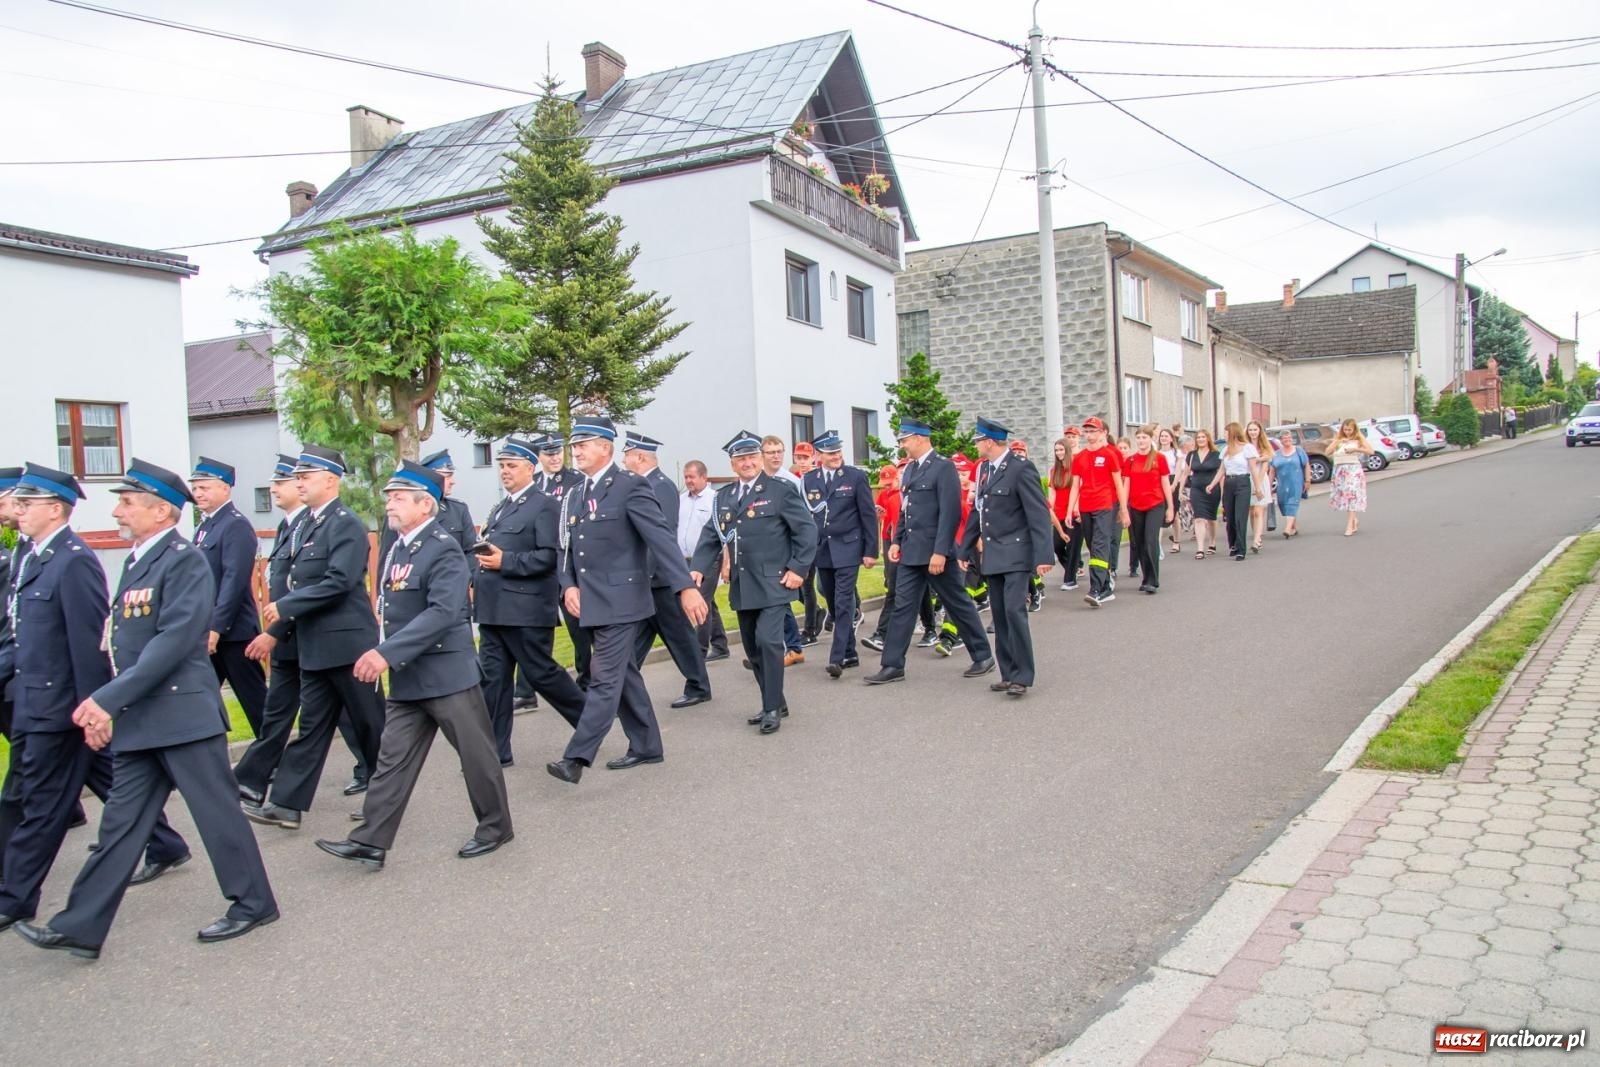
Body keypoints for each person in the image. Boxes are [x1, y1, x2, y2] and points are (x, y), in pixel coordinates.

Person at [14, 459, 277, 958]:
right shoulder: (138, 560)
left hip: (182, 718)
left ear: (161, 513)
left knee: (217, 815)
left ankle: (252, 902)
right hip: (142, 721)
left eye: (127, 503)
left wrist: (105, 700)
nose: (117, 511)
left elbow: (173, 643)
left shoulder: (183, 561)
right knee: (119, 827)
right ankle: (81, 925)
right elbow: (123, 643)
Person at [0, 462, 192, 935]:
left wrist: (96, 706)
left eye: (26, 504)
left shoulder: (73, 559)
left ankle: (15, 898)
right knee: (94, 780)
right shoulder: (31, 556)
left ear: (53, 509)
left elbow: (86, 643)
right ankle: (165, 843)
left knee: (38, 804)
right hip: (34, 701)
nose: (17, 512)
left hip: (61, 704)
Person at [315, 461, 512, 869]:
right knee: (392, 759)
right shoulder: (400, 547)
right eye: (389, 497)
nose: (390, 504)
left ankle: (495, 827)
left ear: (426, 505)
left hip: (446, 675)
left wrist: (385, 654)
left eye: (399, 497)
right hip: (410, 678)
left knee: (476, 756)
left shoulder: (442, 549)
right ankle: (371, 838)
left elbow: (442, 613)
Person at [546, 416, 708, 784]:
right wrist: (568, 585)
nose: (577, 451)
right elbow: (566, 548)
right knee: (626, 677)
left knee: (604, 678)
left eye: (584, 444)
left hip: (623, 600)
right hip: (589, 600)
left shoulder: (629, 486)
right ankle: (647, 745)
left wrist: (684, 587)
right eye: (575, 445)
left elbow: (661, 539)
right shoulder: (574, 493)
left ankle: (576, 757)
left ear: (606, 447)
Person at [244, 445, 385, 831]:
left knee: (371, 725)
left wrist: (288, 605)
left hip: (349, 645)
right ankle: (287, 804)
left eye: (306, 476)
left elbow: (340, 581)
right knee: (313, 727)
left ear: (330, 480)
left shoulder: (345, 524)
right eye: (298, 477)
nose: (299, 482)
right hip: (315, 646)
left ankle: (385, 794)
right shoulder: (305, 523)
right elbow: (294, 574)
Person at [690, 430, 816, 731]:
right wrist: (697, 567)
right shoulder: (725, 497)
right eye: (740, 458)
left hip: (775, 583)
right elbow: (712, 535)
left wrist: (798, 568)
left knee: (769, 642)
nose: (746, 462)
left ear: (760, 459)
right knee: (752, 648)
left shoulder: (780, 490)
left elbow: (807, 531)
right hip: (743, 585)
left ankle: (771, 708)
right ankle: (776, 701)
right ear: (733, 465)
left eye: (751, 456)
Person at [472, 437, 586, 767]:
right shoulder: (502, 507)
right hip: (494, 611)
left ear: (530, 469)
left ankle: (590, 723)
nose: (505, 472)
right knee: (493, 681)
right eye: (502, 466)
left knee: (542, 674)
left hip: (525, 610)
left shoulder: (545, 505)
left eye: (512, 466)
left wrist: (506, 561)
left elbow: (550, 558)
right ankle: (496, 751)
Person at [863, 418, 995, 685]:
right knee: (903, 606)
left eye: (905, 440)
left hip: (936, 554)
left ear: (921, 438)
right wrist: (897, 540)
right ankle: (892, 665)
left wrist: (940, 551)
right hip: (912, 552)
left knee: (957, 604)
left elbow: (950, 513)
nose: (902, 445)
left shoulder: (942, 468)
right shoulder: (910, 470)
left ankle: (983, 656)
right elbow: (906, 510)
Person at [961, 418, 1053, 696]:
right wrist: (965, 548)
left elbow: (1037, 514)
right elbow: (978, 512)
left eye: (978, 440)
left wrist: (1043, 555)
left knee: (1014, 611)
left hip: (1016, 552)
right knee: (999, 614)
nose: (976, 445)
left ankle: (1022, 676)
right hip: (993, 553)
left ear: (990, 441)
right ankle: (1008, 672)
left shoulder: (1020, 469)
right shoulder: (985, 470)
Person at [622, 431, 711, 709]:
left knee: (680, 636)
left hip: (659, 578)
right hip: (645, 580)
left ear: (639, 457)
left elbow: (662, 534)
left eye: (626, 455)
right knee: (632, 641)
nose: (623, 461)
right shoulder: (642, 484)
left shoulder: (659, 486)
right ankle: (616, 692)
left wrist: (648, 574)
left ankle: (698, 685)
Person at [187, 458, 268, 738]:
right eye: (195, 488)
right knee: (200, 698)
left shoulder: (235, 525)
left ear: (225, 489)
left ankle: (272, 756)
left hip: (233, 634)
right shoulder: (204, 527)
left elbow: (233, 581)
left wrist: (216, 627)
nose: (198, 493)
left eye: (204, 487)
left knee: (255, 701)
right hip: (208, 629)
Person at [801, 429, 878, 678]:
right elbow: (806, 516)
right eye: (830, 452)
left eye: (838, 451)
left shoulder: (855, 477)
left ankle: (838, 657)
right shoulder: (809, 480)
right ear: (819, 455)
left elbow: (868, 515)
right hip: (822, 550)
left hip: (848, 547)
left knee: (844, 601)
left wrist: (870, 551)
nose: (836, 456)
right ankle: (851, 652)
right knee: (833, 602)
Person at [532, 434, 590, 694]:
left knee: (580, 629)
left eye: (558, 452)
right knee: (535, 632)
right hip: (539, 567)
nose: (555, 458)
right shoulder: (532, 484)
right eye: (548, 453)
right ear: (539, 457)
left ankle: (587, 679)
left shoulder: (577, 482)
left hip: (568, 564)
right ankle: (526, 690)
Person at [862, 463, 936, 652]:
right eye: (884, 483)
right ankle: (930, 629)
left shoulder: (898, 497)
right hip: (895, 544)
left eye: (890, 482)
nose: (886, 487)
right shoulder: (887, 495)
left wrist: (897, 545)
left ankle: (882, 634)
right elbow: (886, 521)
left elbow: (900, 524)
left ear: (898, 479)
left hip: (905, 546)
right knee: (917, 589)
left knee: (895, 590)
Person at [1064, 416, 1128, 606]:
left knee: (1100, 544)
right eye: (1087, 431)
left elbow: (1119, 483)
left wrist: (1123, 510)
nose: (1090, 435)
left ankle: (1095, 589)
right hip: (1085, 506)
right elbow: (1075, 486)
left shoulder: (1109, 454)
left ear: (1102, 433)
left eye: (1093, 431)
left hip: (1105, 505)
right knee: (1093, 546)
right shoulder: (1080, 457)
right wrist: (1069, 511)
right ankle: (1106, 587)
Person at [760, 435, 811, 665]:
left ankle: (789, 647)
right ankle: (779, 647)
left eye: (779, 451)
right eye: (771, 452)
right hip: (760, 551)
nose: (776, 456)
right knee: (770, 600)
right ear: (762, 454)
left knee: (777, 600)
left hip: (783, 549)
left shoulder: (791, 481)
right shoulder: (756, 480)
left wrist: (798, 559)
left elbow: (803, 521)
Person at [677, 460, 728, 661]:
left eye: (692, 477)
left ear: (704, 477)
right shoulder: (681, 500)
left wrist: (726, 562)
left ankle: (698, 651)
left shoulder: (715, 500)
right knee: (709, 602)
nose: (688, 481)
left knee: (700, 601)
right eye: (686, 477)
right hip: (685, 560)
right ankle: (721, 644)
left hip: (708, 560)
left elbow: (723, 534)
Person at [1124, 426, 1175, 594]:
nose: (1141, 441)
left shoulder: (1159, 458)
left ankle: (1153, 580)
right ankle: (1146, 577)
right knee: (1139, 543)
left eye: (1144, 437)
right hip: (1136, 505)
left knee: (1150, 540)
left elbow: (1165, 483)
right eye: (1138, 438)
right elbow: (1126, 485)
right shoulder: (1130, 460)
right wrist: (1123, 508)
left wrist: (1170, 507)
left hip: (1155, 504)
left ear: (1150, 439)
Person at [1207, 422, 1260, 562]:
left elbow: (1253, 469)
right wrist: (1212, 484)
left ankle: (1241, 549)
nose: (1224, 435)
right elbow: (1222, 470)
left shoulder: (1247, 448)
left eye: (1226, 432)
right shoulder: (1225, 450)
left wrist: (1258, 488)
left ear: (1233, 433)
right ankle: (1233, 545)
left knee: (1239, 517)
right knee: (1229, 517)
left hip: (1242, 482)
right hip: (1229, 483)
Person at [1327, 418, 1374, 536]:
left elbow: (1371, 451)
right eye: (1345, 429)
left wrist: (1356, 449)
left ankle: (1349, 525)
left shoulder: (1359, 439)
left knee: (1351, 495)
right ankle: (1354, 520)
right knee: (1345, 496)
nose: (1347, 432)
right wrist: (1336, 443)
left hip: (1353, 470)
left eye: (1350, 430)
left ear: (1354, 430)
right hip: (1340, 470)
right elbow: (1327, 452)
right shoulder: (1339, 439)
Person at [1186, 429, 1222, 559]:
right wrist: (1180, 491)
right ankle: (1200, 549)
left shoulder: (1216, 454)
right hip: (1196, 488)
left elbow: (1221, 473)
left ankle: (1212, 543)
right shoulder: (1191, 455)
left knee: (1211, 518)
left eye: (1203, 437)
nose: (1200, 439)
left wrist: (1221, 490)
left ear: (1208, 439)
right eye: (1198, 437)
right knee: (1199, 518)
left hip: (1212, 489)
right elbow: (1186, 473)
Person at [1047, 438, 1077, 590]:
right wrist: (1049, 508)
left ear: (1067, 450)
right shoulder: (1054, 471)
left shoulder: (1075, 468)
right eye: (1056, 450)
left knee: (1073, 546)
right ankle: (1071, 568)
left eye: (1061, 450)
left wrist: (1076, 509)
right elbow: (1052, 493)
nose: (1059, 453)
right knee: (1058, 545)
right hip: (1058, 513)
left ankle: (1070, 579)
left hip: (1073, 513)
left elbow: (1079, 490)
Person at [1270, 429, 1310, 538]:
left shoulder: (1299, 451)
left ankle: (1287, 529)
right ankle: (1293, 527)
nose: (1287, 440)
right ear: (1281, 441)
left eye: (1289, 438)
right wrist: (1269, 485)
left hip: (1296, 482)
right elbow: (1272, 470)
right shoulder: (1276, 454)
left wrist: (1307, 480)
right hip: (1282, 484)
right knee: (1283, 504)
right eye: (1284, 438)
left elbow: (1306, 465)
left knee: (1292, 503)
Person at [1244, 420, 1274, 552]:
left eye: (1255, 430)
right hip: (1247, 479)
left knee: (1258, 510)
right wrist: (1259, 459)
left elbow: (1265, 465)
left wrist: (1259, 484)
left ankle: (1257, 540)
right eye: (1250, 430)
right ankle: (1256, 536)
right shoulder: (1245, 446)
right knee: (1251, 511)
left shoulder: (1265, 446)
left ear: (1259, 431)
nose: (1253, 432)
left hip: (1261, 479)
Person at [1157, 428, 1184, 554]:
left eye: (1166, 436)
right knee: (1159, 512)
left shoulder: (1176, 453)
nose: (1163, 438)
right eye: (1162, 436)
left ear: (1171, 438)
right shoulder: (1157, 452)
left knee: (1175, 513)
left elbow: (1178, 470)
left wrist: (1174, 484)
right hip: (1159, 481)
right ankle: (1157, 544)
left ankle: (1176, 541)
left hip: (1172, 479)